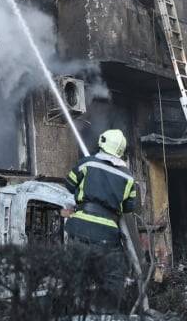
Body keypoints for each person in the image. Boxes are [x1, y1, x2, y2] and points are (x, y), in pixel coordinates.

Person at [64, 129, 137, 312]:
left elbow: (69, 184)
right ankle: (105, 313)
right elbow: (129, 208)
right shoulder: (128, 177)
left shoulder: (87, 164)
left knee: (76, 278)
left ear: (102, 143)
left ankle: (75, 312)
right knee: (110, 279)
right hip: (107, 235)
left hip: (80, 228)